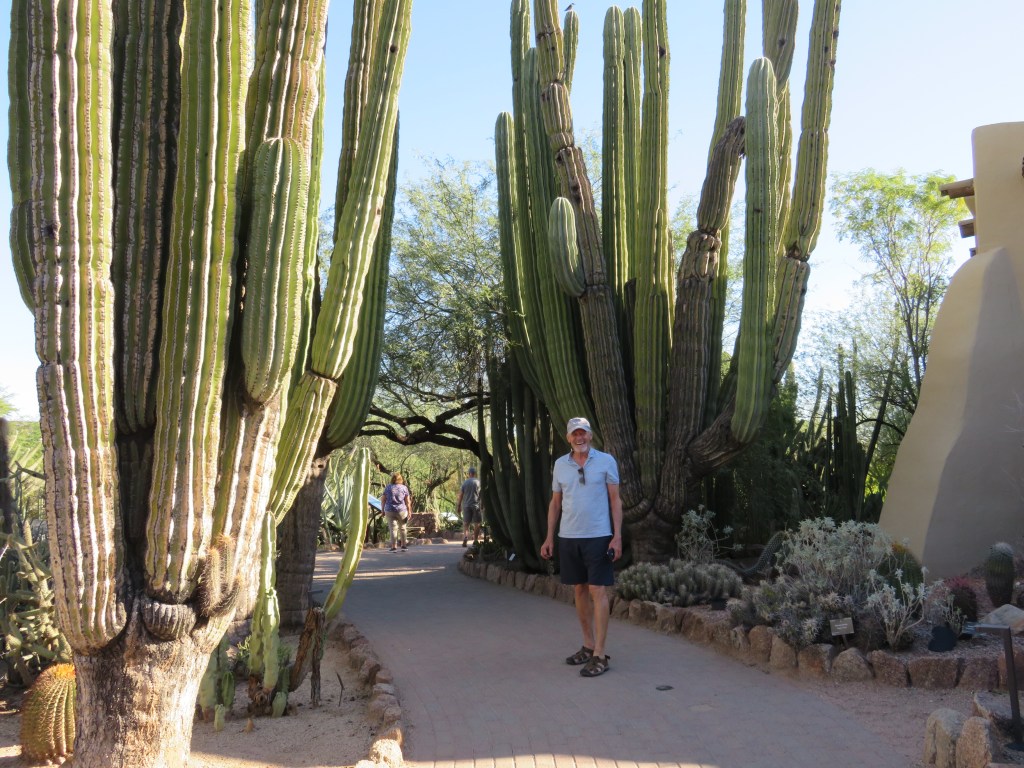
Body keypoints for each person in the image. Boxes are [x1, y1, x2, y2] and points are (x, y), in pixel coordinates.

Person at [541, 417, 622, 678]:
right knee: (579, 589)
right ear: (568, 438)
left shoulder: (606, 461)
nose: (580, 438)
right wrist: (549, 538)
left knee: (598, 590)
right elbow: (555, 503)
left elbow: (615, 500)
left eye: (583, 433)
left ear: (590, 435)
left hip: (599, 535)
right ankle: (588, 645)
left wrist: (617, 536)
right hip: (569, 536)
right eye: (575, 434)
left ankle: (600, 654)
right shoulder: (560, 465)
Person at [381, 472, 413, 552]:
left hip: (389, 510)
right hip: (402, 511)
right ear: (401, 479)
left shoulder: (388, 487)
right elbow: (408, 501)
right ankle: (403, 546)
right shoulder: (404, 488)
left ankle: (394, 547)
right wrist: (409, 511)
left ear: (392, 479)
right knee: (403, 528)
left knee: (393, 529)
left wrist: (382, 510)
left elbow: (383, 499)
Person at [455, 467, 482, 547]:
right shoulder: (478, 482)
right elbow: (482, 494)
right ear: (475, 473)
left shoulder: (465, 483)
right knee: (477, 523)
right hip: (476, 505)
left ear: (469, 474)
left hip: (466, 506)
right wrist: (482, 504)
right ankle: (475, 540)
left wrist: (459, 506)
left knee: (466, 524)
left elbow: (461, 495)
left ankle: (465, 537)